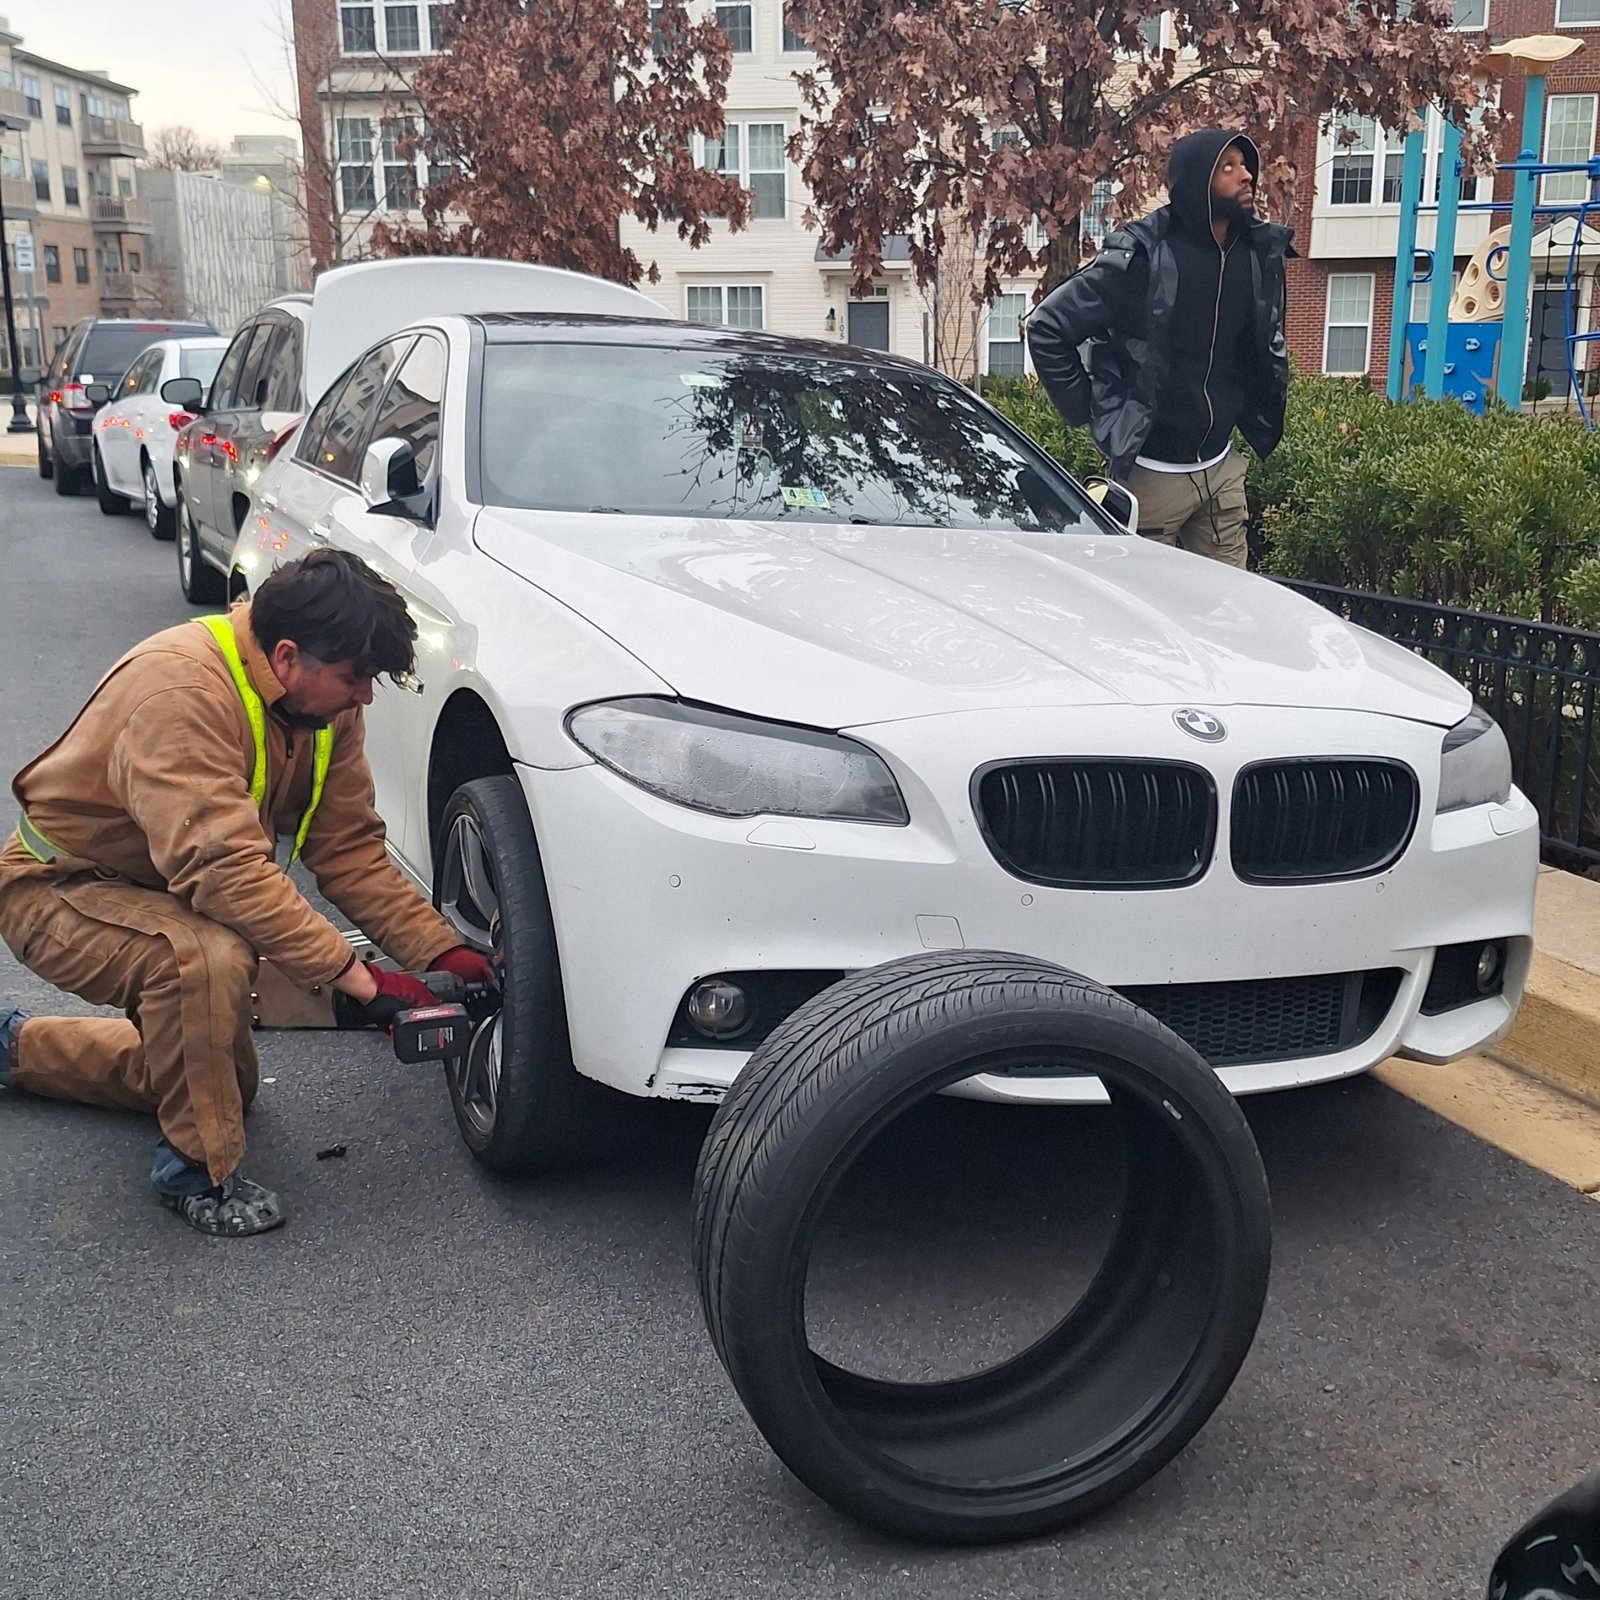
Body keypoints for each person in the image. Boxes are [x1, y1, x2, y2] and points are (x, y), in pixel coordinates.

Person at [0, 549, 494, 1237]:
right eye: (356, 677)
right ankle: (198, 1175)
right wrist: (360, 981)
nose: (366, 697)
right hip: (60, 888)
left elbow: (348, 851)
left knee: (220, 1090)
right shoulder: (180, 694)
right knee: (201, 962)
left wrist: (441, 949)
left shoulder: (324, 710)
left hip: (165, 889)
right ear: (287, 656)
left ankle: (14, 1050)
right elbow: (227, 874)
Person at [1025, 129, 1293, 568]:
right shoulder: (1143, 253)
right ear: (1196, 182)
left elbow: (1263, 342)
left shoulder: (1258, 252)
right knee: (1145, 618)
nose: (1247, 175)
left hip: (1220, 468)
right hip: (1151, 476)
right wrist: (1094, 413)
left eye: (1245, 165)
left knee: (1229, 614)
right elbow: (1047, 327)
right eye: (1228, 167)